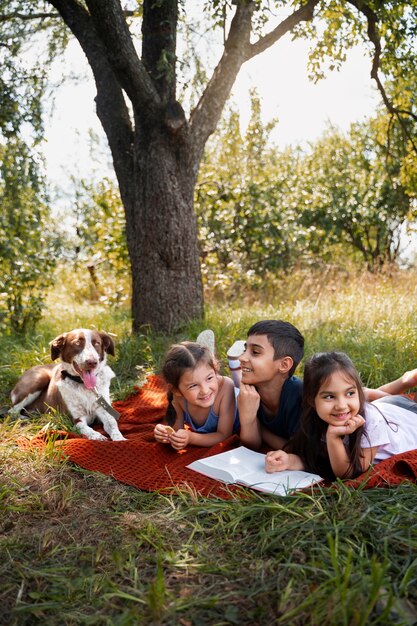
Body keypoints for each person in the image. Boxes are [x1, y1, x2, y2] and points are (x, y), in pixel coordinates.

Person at [232, 319, 417, 453]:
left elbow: (299, 450)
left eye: (255, 352)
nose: (242, 358)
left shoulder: (299, 396)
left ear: (284, 365)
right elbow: (251, 447)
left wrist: (257, 427)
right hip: (382, 405)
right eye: (245, 349)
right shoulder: (251, 391)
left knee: (372, 399)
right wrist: (248, 419)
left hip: (397, 412)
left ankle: (405, 381)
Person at [264, 351, 417, 479]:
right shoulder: (312, 417)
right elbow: (316, 460)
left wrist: (333, 438)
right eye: (329, 396)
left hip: (408, 416)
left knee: (379, 400)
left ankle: (405, 381)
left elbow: (348, 473)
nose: (341, 405)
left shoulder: (371, 421)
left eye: (350, 393)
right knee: (373, 400)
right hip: (389, 408)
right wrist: (289, 461)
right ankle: (400, 383)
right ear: (311, 399)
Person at [153, 341, 237, 450]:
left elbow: (223, 435)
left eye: (209, 378)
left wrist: (192, 438)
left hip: (242, 401)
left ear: (215, 370)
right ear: (176, 390)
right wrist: (164, 434)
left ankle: (237, 368)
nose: (205, 390)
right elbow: (175, 431)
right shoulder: (179, 398)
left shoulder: (226, 388)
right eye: (193, 386)